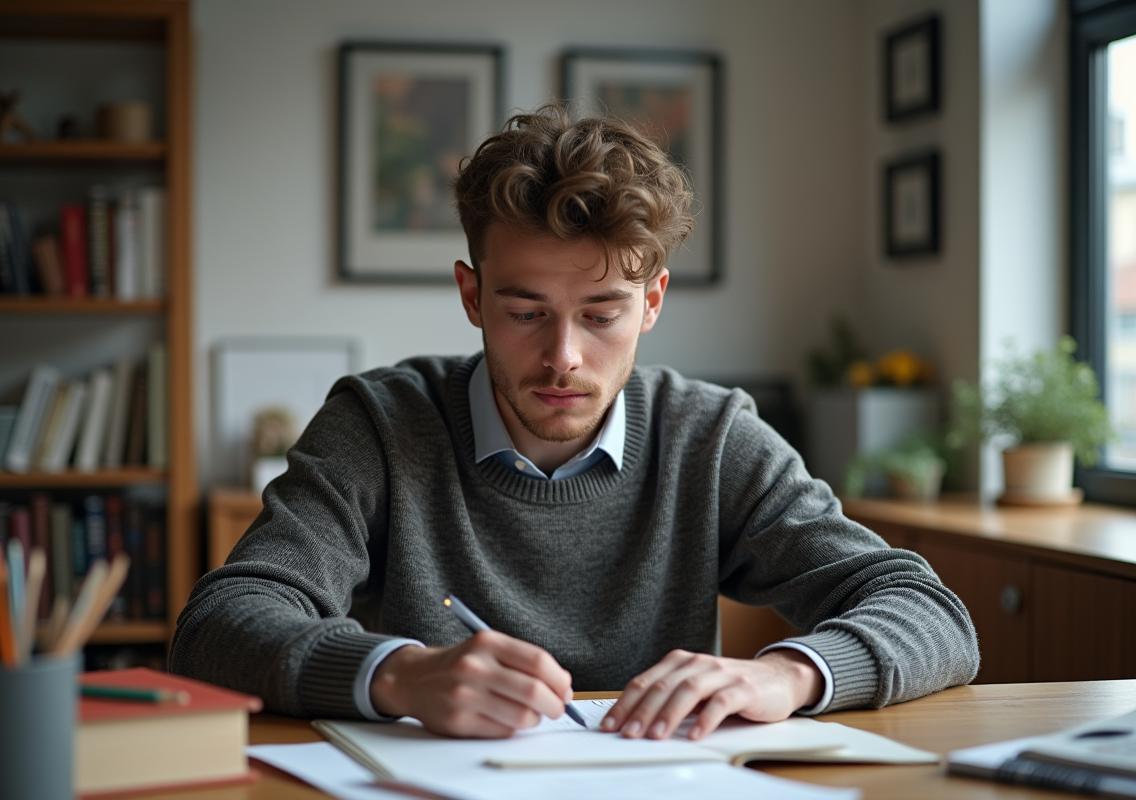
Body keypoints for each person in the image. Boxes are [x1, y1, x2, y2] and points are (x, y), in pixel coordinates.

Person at [170, 105, 978, 741]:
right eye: (526, 312)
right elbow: (219, 624)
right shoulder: (381, 425)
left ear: (652, 303)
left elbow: (929, 612)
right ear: (472, 296)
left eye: (602, 314)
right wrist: (398, 675)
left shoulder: (711, 437)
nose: (563, 356)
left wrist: (788, 674)